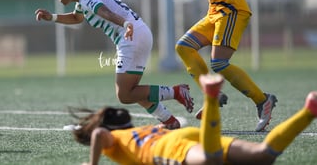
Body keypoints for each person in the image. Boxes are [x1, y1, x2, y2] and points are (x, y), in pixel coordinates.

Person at [35, 0, 194, 129]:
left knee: (125, 95)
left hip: (130, 36)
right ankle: (169, 121)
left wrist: (125, 24)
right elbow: (76, 18)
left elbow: (104, 12)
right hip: (138, 33)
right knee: (134, 91)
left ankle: (176, 92)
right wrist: (52, 17)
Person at [146, 0, 277, 131]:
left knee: (218, 63)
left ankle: (263, 100)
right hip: (216, 13)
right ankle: (212, 95)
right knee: (184, 47)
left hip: (231, 12)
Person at [71, 73, 317, 165]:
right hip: (183, 138)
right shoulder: (140, 130)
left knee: (211, 160)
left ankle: (210, 98)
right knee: (263, 156)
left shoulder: (113, 140)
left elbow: (98, 135)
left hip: (171, 148)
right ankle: (309, 110)